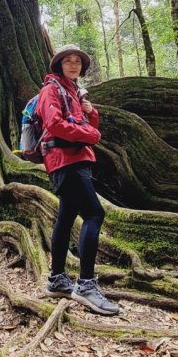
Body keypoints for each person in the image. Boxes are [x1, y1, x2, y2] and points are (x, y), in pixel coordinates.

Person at [38, 44, 120, 316]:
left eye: (77, 62)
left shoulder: (73, 93)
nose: (73, 65)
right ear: (59, 64)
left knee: (66, 216)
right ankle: (85, 285)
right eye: (68, 61)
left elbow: (88, 127)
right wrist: (91, 135)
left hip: (77, 161)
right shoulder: (51, 90)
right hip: (65, 162)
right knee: (94, 214)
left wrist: (91, 113)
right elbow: (55, 125)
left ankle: (57, 279)